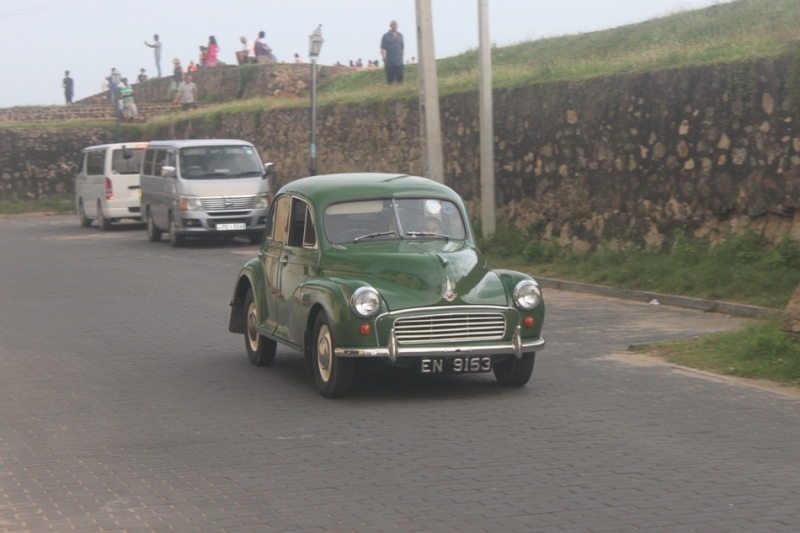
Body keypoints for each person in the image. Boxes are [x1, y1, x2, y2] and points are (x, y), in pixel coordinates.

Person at [381, 20, 404, 85]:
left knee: (400, 78)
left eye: (396, 24)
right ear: (390, 26)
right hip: (390, 61)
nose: (395, 26)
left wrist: (402, 58)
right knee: (390, 79)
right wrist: (383, 56)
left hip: (399, 61)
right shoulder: (386, 36)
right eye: (393, 24)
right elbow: (382, 47)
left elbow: (402, 48)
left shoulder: (400, 35)